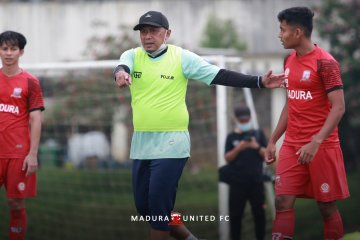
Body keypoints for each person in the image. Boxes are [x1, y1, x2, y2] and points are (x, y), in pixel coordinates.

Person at [113, 10, 284, 240]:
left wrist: (258, 81)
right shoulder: (133, 55)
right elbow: (122, 66)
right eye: (143, 32)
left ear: (167, 33)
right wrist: (121, 73)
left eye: (153, 31)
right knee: (146, 209)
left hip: (172, 142)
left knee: (157, 210)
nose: (147, 36)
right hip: (142, 143)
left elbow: (220, 75)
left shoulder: (182, 57)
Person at [265, 7, 350, 240]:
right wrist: (273, 140)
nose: (279, 35)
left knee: (326, 207)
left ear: (298, 32)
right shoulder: (289, 59)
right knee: (282, 200)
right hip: (293, 144)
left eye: (282, 30)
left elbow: (339, 107)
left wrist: (316, 142)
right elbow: (290, 103)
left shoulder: (326, 63)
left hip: (321, 146)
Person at [0, 31, 45, 240]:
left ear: (21, 52)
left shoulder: (30, 82)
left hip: (19, 153)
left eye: (13, 49)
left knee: (16, 203)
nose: (8, 53)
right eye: (4, 48)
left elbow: (36, 119)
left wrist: (33, 154)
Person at [224, 105, 267, 240]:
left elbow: (268, 155)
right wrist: (239, 148)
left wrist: (256, 146)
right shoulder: (231, 137)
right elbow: (227, 158)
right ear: (236, 119)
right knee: (235, 216)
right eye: (241, 120)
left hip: (256, 182)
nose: (244, 122)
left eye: (246, 120)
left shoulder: (258, 134)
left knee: (259, 215)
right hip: (237, 184)